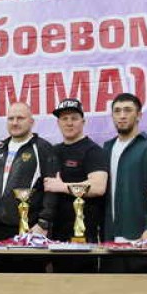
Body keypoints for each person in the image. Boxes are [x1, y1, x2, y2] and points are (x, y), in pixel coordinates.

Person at [0, 102, 58, 242]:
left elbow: (52, 190)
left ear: (31, 122)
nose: (14, 123)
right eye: (11, 118)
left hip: (29, 230)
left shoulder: (42, 148)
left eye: (20, 118)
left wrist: (44, 222)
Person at [103, 93, 147, 244]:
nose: (122, 115)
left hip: (140, 237)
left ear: (139, 115)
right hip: (110, 237)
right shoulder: (107, 148)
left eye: (127, 110)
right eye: (117, 111)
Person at [43, 99, 108, 244]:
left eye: (74, 118)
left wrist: (62, 187)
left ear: (83, 122)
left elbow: (98, 187)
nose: (69, 123)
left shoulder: (93, 151)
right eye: (64, 118)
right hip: (54, 233)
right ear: (58, 123)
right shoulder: (53, 151)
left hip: (84, 234)